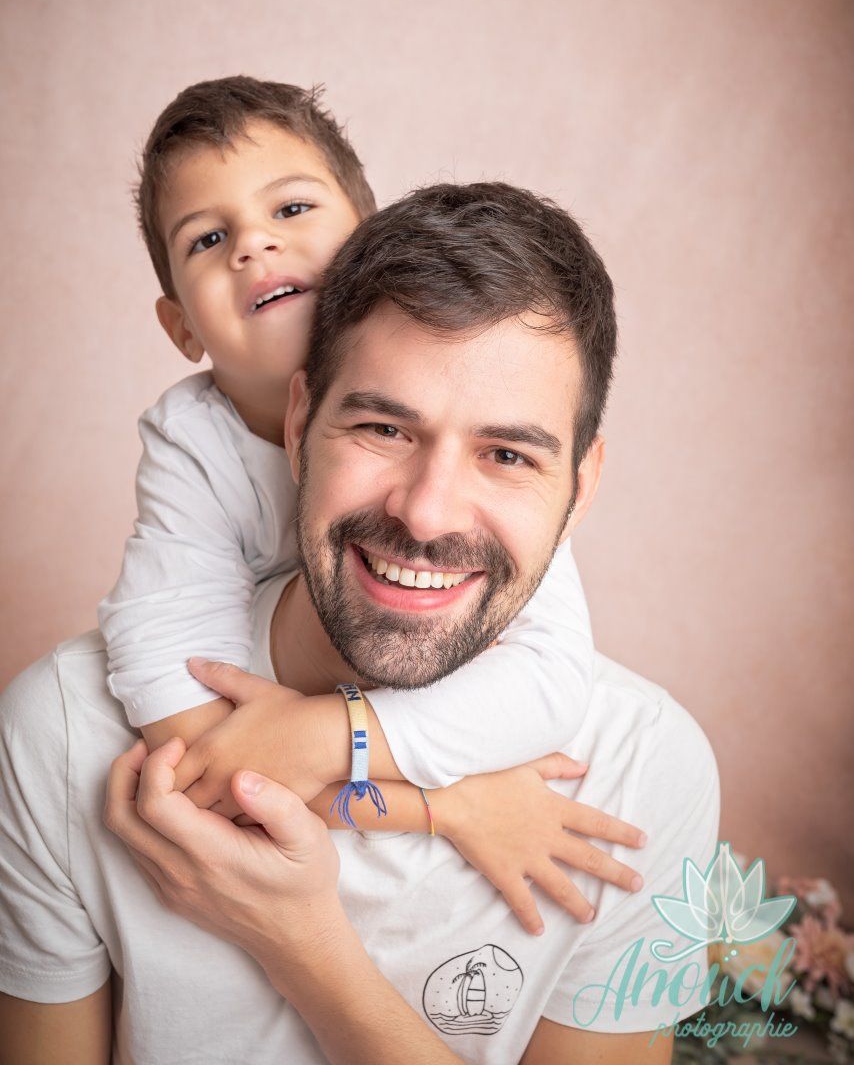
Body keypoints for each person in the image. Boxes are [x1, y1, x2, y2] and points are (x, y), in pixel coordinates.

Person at [0, 183, 720, 1063]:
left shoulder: (643, 770)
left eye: (506, 454)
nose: (427, 513)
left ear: (582, 485)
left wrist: (301, 944)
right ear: (299, 421)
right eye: (384, 428)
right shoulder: (60, 733)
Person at [97, 75, 601, 841]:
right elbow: (177, 690)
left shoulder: (475, 418)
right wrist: (444, 809)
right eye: (207, 239)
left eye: (291, 209)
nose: (253, 245)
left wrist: (329, 735)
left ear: (372, 242)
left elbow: (551, 677)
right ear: (182, 328)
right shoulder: (190, 442)